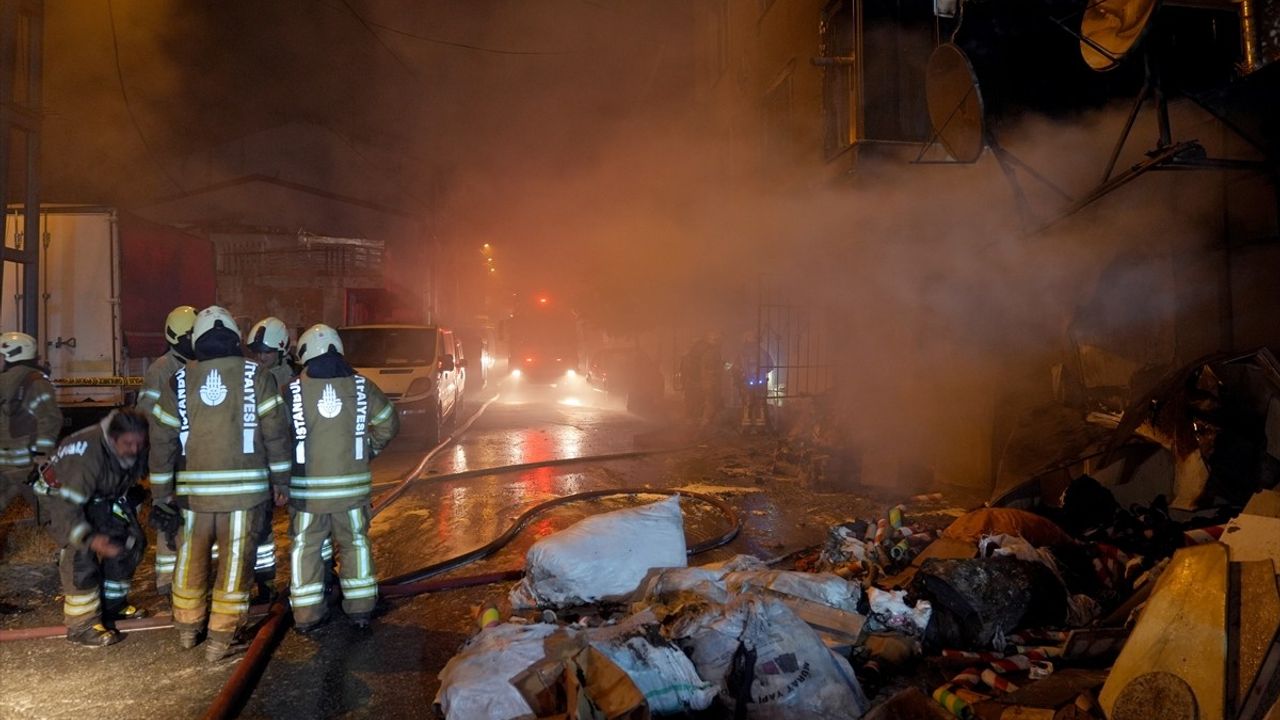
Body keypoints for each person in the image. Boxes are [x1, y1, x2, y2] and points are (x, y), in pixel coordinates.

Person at [148, 306, 291, 661]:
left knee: (191, 559)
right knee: (234, 564)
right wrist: (282, 480)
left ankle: (187, 629)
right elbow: (275, 432)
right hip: (245, 494)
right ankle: (221, 641)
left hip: (193, 496)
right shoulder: (256, 374)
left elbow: (162, 440)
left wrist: (161, 493)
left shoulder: (178, 379)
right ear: (234, 339)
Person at [284, 324, 398, 631]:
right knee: (355, 544)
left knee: (306, 547)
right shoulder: (362, 386)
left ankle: (307, 616)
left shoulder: (292, 391)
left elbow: (277, 438)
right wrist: (365, 450)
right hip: (351, 492)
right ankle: (360, 609)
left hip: (307, 495)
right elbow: (388, 424)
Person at [45, 410, 150, 646]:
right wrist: (90, 539)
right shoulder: (86, 456)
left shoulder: (132, 445)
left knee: (130, 542)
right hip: (63, 498)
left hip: (100, 496)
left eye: (139, 444)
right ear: (113, 440)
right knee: (80, 553)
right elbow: (67, 508)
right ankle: (81, 625)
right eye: (128, 444)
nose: (134, 449)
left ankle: (113, 606)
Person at [135, 305, 196, 595]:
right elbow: (146, 414)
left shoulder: (197, 365)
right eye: (191, 334)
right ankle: (166, 581)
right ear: (176, 337)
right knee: (168, 517)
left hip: (190, 457)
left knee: (190, 518)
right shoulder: (162, 369)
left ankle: (191, 578)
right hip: (169, 456)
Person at [243, 316, 296, 600]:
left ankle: (266, 584)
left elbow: (282, 430)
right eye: (258, 352)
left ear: (281, 351)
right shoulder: (251, 375)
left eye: (267, 352)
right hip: (257, 462)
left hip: (280, 462)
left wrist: (282, 479)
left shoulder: (290, 382)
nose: (261, 357)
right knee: (257, 527)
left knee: (270, 529)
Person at [0, 332, 63, 522]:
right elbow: (51, 419)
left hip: (3, 464)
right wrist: (41, 454)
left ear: (12, 355)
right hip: (27, 464)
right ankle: (65, 547)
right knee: (51, 513)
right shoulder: (37, 382)